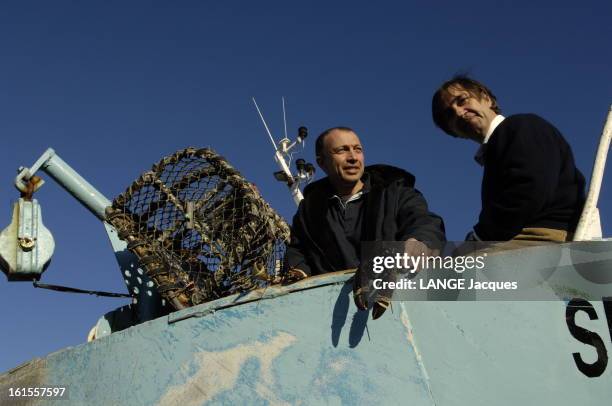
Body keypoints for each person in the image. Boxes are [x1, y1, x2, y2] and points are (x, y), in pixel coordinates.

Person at [283, 126, 446, 316]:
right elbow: (298, 250)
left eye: (357, 149)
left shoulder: (396, 193)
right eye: (342, 150)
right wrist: (297, 273)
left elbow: (424, 224)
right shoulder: (308, 213)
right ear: (322, 162)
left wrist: (412, 245)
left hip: (401, 307)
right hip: (333, 317)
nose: (353, 157)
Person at [431, 75, 585, 243]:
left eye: (462, 100)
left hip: (543, 236)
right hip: (519, 239)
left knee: (453, 267)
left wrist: (479, 237)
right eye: (450, 114)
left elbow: (529, 189)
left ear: (486, 98)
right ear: (454, 133)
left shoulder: (521, 126)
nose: (459, 112)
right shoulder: (495, 149)